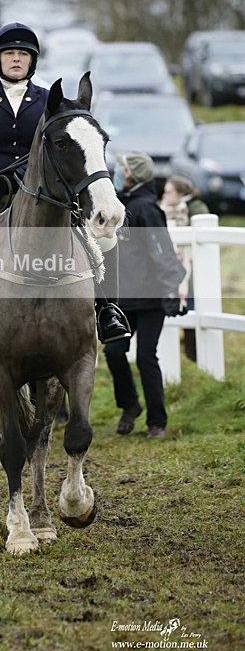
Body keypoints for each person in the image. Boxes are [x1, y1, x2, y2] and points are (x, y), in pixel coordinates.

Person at [0, 21, 130, 363]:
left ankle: (107, 311)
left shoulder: (49, 101)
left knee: (106, 240)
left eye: (23, 54)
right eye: (10, 53)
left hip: (40, 193)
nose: (17, 59)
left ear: (32, 61)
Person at [104, 151, 187, 440]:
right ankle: (130, 405)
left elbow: (162, 252)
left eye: (122, 168)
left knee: (145, 357)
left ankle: (157, 422)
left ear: (131, 174)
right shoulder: (116, 205)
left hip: (151, 299)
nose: (117, 171)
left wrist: (170, 290)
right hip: (123, 299)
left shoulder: (146, 209)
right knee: (114, 352)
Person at [161, 175, 210, 361]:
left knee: (192, 309)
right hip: (174, 268)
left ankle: (195, 355)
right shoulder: (164, 209)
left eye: (168, 192)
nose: (164, 196)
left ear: (181, 194)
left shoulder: (197, 209)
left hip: (193, 271)